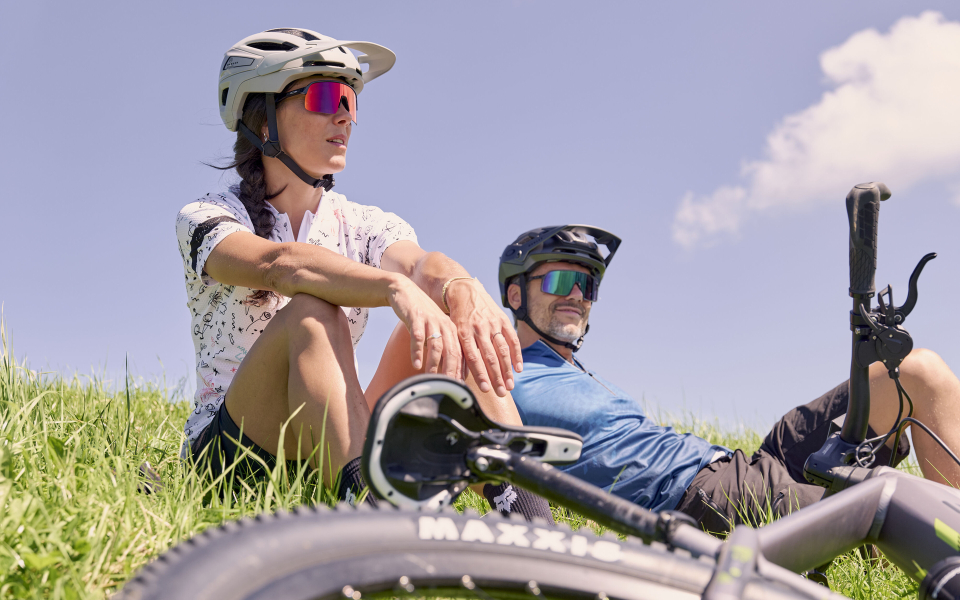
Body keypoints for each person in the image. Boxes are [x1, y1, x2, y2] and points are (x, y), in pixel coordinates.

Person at [174, 27, 550, 518]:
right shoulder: (205, 217)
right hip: (233, 458)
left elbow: (419, 264)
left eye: (351, 100)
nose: (345, 115)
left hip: (326, 443)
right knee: (311, 312)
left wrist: (461, 288)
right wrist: (394, 288)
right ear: (262, 120)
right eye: (326, 95)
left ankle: (529, 515)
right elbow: (281, 265)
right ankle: (371, 511)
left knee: (449, 320)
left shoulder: (365, 222)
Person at [499, 225, 960, 533]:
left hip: (746, 463)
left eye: (588, 286)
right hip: (703, 497)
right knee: (898, 514)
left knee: (916, 372)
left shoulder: (575, 372)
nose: (577, 297)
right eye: (561, 282)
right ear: (515, 294)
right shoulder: (500, 375)